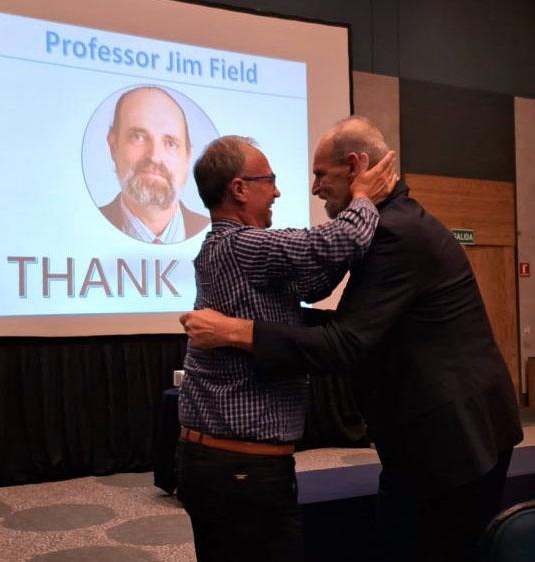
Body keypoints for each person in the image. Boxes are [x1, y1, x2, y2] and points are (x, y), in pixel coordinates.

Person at [180, 117, 524, 562]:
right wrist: (362, 200)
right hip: (431, 441)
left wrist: (240, 331)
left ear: (356, 166)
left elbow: (343, 339)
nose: (311, 188)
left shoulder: (393, 232)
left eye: (321, 174)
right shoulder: (375, 227)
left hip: (453, 446)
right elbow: (329, 279)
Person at [177, 134, 397, 562]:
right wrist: (365, 196)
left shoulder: (239, 252)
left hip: (228, 464)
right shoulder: (242, 246)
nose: (277, 191)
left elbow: (313, 282)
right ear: (239, 189)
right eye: (269, 180)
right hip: (239, 469)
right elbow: (333, 244)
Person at [101, 86, 209, 243]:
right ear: (113, 146)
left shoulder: (213, 234)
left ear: (188, 157)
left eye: (170, 143)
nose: (155, 157)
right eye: (138, 137)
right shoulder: (81, 228)